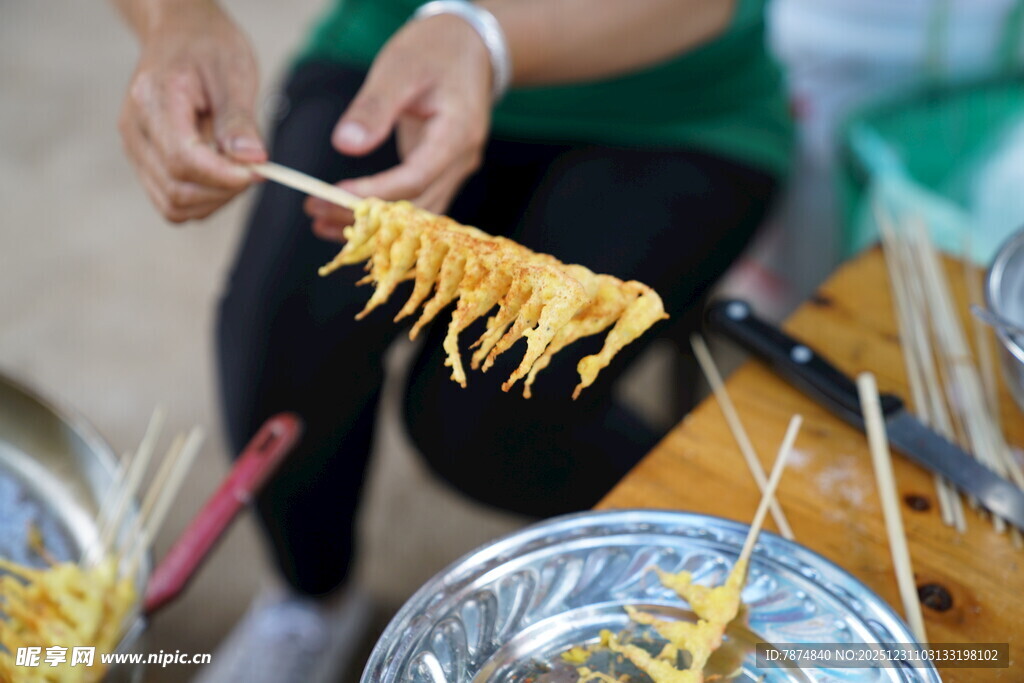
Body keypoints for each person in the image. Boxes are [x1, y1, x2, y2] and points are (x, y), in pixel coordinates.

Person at [113, 0, 792, 679]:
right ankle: (309, 598)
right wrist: (176, 21)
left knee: (490, 414)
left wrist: (483, 37)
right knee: (283, 356)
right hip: (391, 58)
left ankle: (728, 558)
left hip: (674, 104)